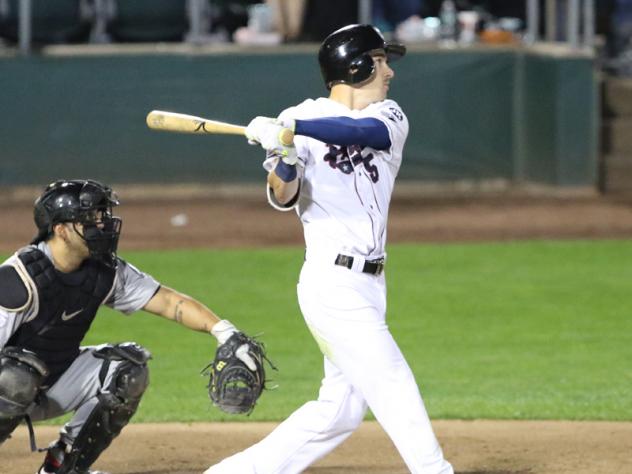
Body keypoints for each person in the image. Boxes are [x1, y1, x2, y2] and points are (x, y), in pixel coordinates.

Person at [205, 24, 454, 474]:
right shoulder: (296, 118)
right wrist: (283, 154)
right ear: (356, 67)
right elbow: (283, 196)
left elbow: (361, 134)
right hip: (331, 284)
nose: (390, 72)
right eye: (381, 61)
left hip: (373, 284)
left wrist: (292, 128)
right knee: (390, 378)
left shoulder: (389, 115)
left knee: (339, 411)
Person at [0, 179, 260, 474]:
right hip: (8, 390)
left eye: (102, 216)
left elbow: (167, 301)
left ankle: (65, 467)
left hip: (53, 384)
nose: (102, 226)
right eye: (91, 219)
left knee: (128, 371)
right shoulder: (18, 280)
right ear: (61, 230)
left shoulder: (105, 271)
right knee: (15, 377)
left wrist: (223, 331)